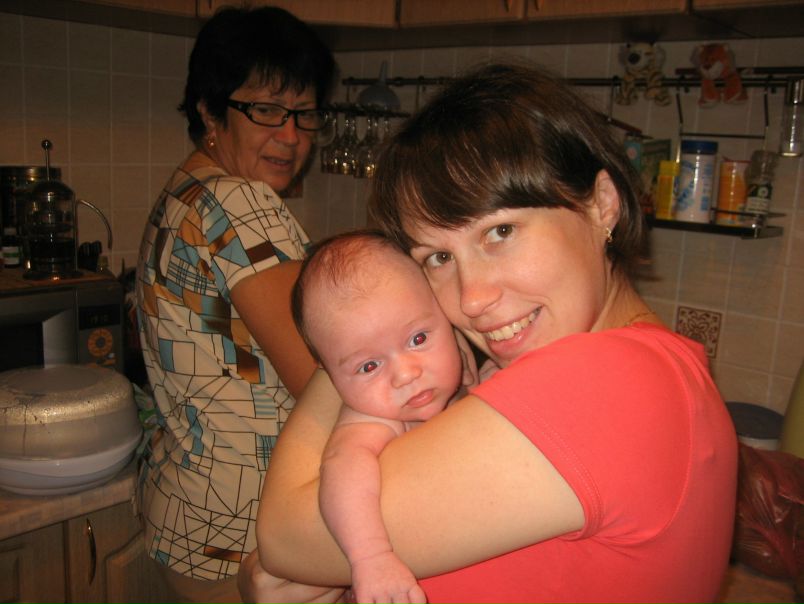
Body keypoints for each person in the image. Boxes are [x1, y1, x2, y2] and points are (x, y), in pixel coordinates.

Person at [242, 62, 739, 604]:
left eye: (500, 231)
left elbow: (284, 538)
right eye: (438, 258)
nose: (471, 298)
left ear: (602, 203)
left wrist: (354, 342)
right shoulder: (646, 368)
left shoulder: (603, 383)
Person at [135, 6, 339, 602]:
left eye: (303, 113)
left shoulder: (186, 190)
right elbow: (325, 379)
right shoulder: (241, 203)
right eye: (267, 110)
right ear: (210, 109)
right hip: (245, 532)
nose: (291, 135)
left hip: (192, 512)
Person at [291, 230, 475, 604]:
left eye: (418, 339)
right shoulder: (370, 421)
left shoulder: (461, 371)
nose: (405, 374)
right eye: (369, 366)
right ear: (328, 373)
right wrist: (371, 558)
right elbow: (344, 469)